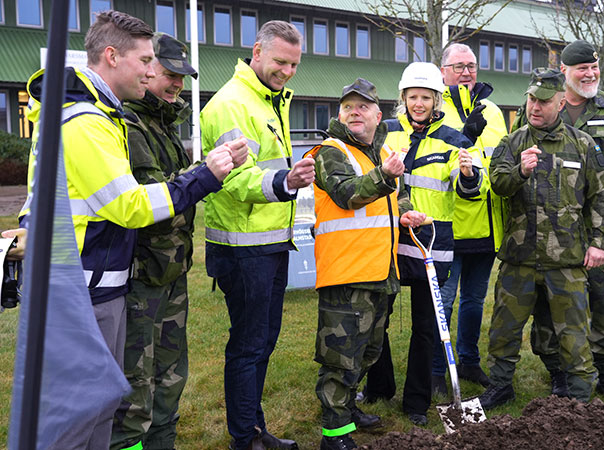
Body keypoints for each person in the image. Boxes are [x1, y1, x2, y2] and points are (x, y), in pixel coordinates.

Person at [14, 11, 241, 449]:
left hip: (93, 285)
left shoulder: (100, 117)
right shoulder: (85, 122)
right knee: (78, 422)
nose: (152, 70)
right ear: (113, 56)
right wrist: (205, 176)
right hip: (80, 291)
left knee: (97, 410)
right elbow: (130, 206)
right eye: (146, 60)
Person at [109, 33, 244, 450]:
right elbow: (149, 199)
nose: (176, 85)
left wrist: (213, 172)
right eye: (169, 75)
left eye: (182, 78)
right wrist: (204, 173)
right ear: (147, 71)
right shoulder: (129, 125)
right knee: (135, 383)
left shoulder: (164, 123)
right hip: (140, 276)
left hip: (170, 272)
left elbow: (179, 192)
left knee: (170, 376)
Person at [199, 20, 314, 450]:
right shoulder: (232, 104)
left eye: (294, 64)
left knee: (262, 343)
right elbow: (235, 179)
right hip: (243, 250)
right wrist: (287, 181)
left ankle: (253, 429)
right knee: (248, 347)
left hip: (269, 244)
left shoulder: (269, 99)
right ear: (257, 51)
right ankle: (244, 439)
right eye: (281, 62)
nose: (287, 71)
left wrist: (290, 179)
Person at [481, 68, 604, 408]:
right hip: (518, 257)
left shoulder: (582, 145)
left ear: (560, 103)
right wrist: (520, 171)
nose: (534, 107)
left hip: (566, 260)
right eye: (530, 100)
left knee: (573, 334)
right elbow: (497, 184)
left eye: (543, 102)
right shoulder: (511, 143)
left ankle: (580, 395)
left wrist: (598, 243)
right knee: (504, 330)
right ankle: (500, 385)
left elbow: (601, 197)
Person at [522, 40, 604, 404]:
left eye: (594, 69)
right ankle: (558, 371)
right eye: (581, 69)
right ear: (565, 72)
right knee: (549, 307)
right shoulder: (542, 104)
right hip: (549, 233)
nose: (590, 74)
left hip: (598, 229)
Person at [309, 77, 426, 450]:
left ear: (379, 115)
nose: (354, 112)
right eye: (348, 107)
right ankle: (334, 433)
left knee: (368, 352)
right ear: (340, 114)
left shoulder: (381, 152)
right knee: (340, 358)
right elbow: (347, 195)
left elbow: (396, 198)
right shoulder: (331, 150)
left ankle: (348, 409)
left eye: (362, 107)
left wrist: (406, 214)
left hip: (380, 271)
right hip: (346, 272)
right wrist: (385, 175)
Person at [384, 61, 482, 426]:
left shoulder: (455, 138)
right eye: (413, 97)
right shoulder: (386, 132)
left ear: (437, 99)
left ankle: (415, 402)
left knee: (427, 327)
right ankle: (380, 388)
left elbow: (468, 188)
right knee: (379, 318)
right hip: (391, 240)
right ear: (403, 98)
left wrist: (469, 175)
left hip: (431, 245)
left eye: (426, 97)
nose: (419, 103)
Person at [428, 43, 507, 394]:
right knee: (443, 301)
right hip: (449, 224)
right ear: (442, 70)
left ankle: (469, 360)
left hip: (486, 225)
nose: (465, 72)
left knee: (475, 300)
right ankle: (436, 370)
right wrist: (466, 134)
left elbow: (500, 161)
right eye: (457, 65)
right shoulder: (435, 108)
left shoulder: (492, 110)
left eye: (471, 65)